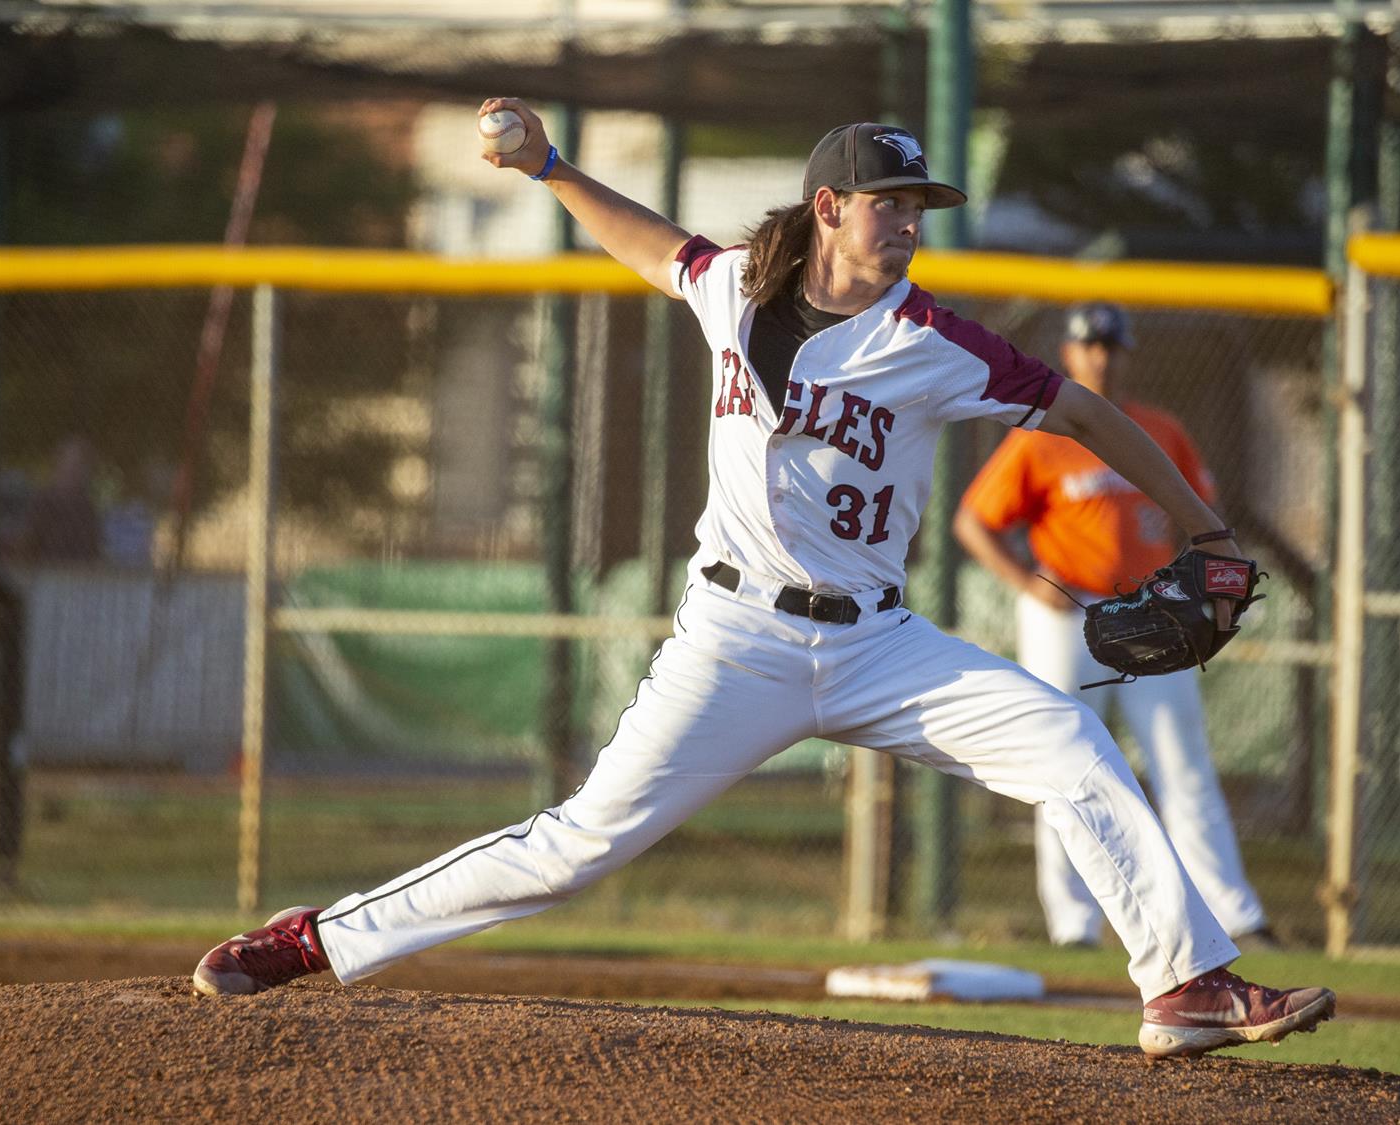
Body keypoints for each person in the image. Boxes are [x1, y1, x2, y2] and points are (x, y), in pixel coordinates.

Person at [192, 100, 1333, 1060]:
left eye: (918, 208)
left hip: (883, 646)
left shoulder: (934, 341)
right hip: (735, 636)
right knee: (578, 845)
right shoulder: (733, 288)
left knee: (1066, 743)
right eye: (890, 203)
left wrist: (1203, 529)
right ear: (829, 208)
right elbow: (649, 245)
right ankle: (317, 939)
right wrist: (547, 168)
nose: (908, 225)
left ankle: (1183, 986)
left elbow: (1082, 411)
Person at [954, 304, 1279, 952]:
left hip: (1152, 611)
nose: (1101, 355)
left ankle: (1234, 913)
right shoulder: (1040, 435)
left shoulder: (1158, 429)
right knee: (1060, 759)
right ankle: (1073, 923)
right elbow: (974, 521)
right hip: (1068, 609)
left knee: (1183, 764)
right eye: (1089, 344)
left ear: (1126, 355)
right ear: (1070, 355)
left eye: (1111, 344)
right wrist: (1026, 585)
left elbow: (1201, 515)